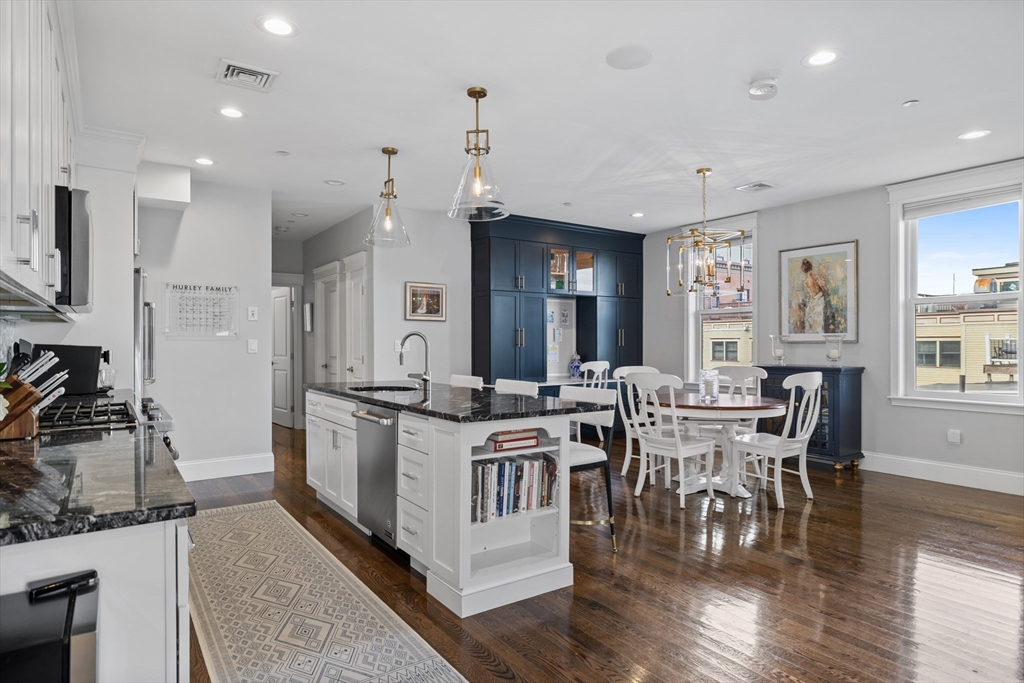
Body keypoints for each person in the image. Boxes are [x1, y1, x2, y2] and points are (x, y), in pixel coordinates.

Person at [800, 258, 836, 333]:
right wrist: (824, 283)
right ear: (811, 267)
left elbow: (811, 293)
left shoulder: (806, 282)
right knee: (819, 322)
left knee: (811, 322)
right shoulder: (816, 278)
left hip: (812, 301)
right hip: (819, 300)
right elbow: (825, 289)